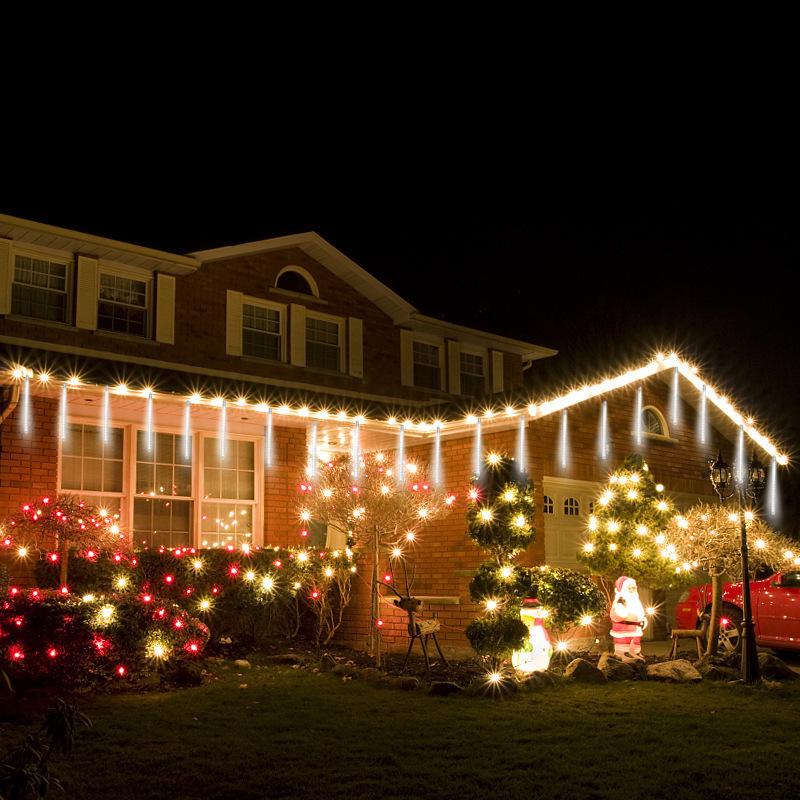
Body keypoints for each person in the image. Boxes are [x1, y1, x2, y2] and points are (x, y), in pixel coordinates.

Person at [610, 575, 647, 660]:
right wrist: (623, 613)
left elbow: (640, 612)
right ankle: (622, 653)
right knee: (624, 642)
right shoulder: (620, 601)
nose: (632, 590)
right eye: (630, 588)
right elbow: (617, 614)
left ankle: (635, 652)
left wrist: (643, 619)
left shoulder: (635, 600)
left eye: (634, 588)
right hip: (623, 629)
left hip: (636, 629)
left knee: (635, 642)